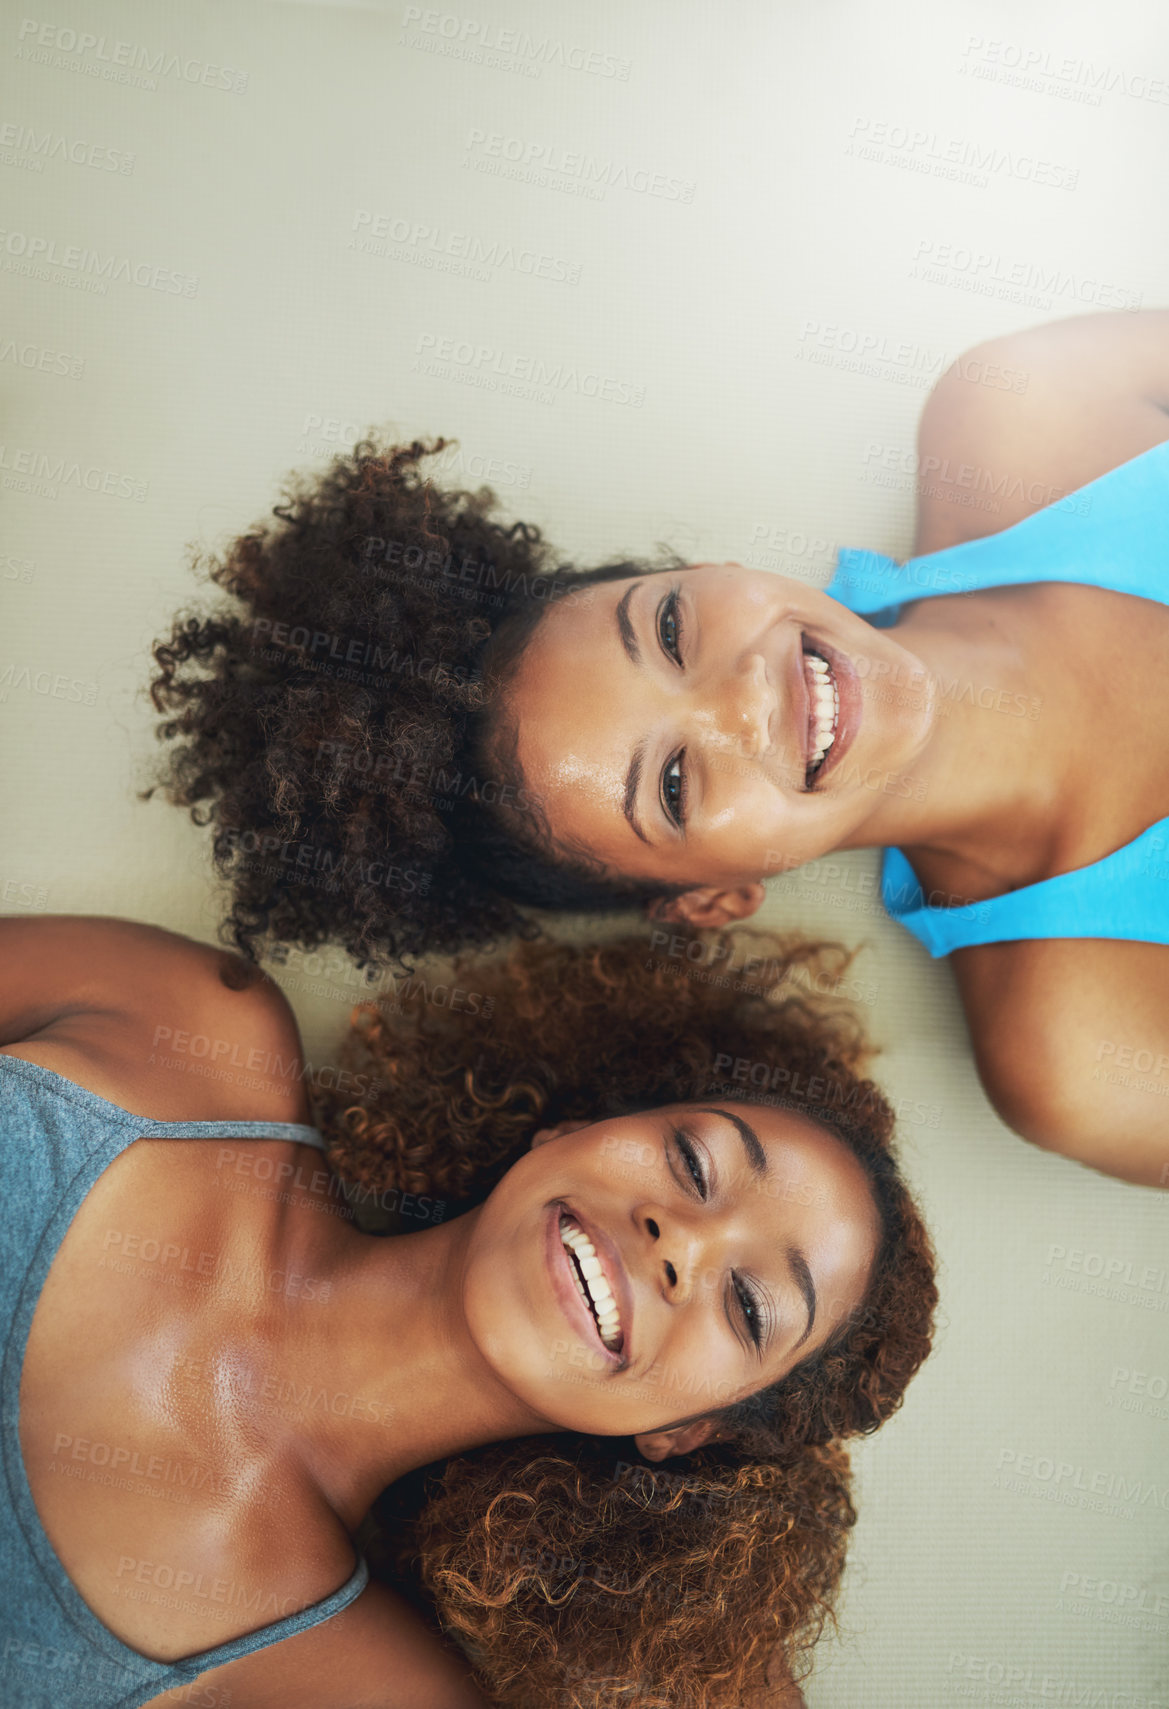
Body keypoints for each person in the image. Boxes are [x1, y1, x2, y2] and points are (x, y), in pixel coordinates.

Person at [147, 311, 1169, 1185]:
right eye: (674, 783)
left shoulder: (1018, 410)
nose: (743, 697)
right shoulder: (1084, 1057)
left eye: (672, 629)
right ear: (713, 897)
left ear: (703, 568)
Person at [1, 915, 935, 1709]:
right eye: (693, 1165)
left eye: (746, 1305)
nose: (680, 1241)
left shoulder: (333, 1678)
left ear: (684, 1432)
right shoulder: (190, 1023)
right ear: (570, 1129)